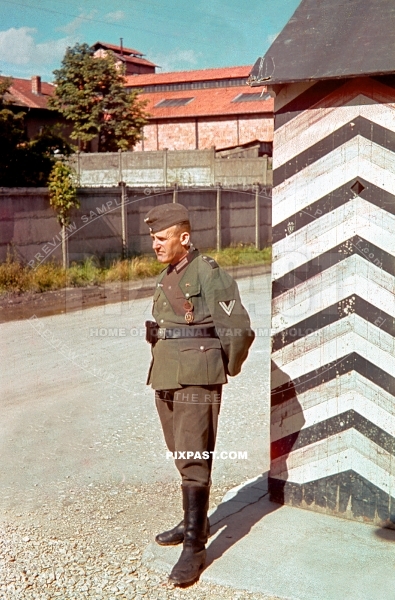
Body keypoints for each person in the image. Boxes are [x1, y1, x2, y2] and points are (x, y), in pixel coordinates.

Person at [144, 203, 254, 585]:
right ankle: (197, 520)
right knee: (181, 450)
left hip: (197, 377)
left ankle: (195, 546)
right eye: (153, 238)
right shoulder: (169, 274)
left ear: (184, 238)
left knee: (194, 455)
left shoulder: (207, 272)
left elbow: (238, 328)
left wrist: (222, 367)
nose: (154, 244)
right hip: (167, 375)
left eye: (161, 238)